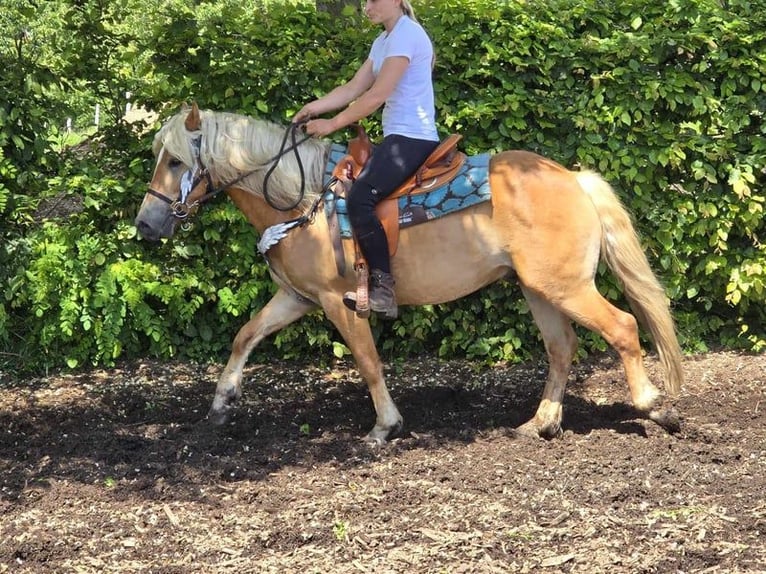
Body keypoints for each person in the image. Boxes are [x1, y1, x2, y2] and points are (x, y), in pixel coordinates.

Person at [293, 0, 439, 319]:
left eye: (374, 0)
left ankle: (383, 289)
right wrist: (314, 107)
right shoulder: (383, 40)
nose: (367, 6)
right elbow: (353, 88)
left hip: (413, 137)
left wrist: (331, 124)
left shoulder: (406, 35)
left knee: (360, 197)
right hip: (398, 138)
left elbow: (376, 95)